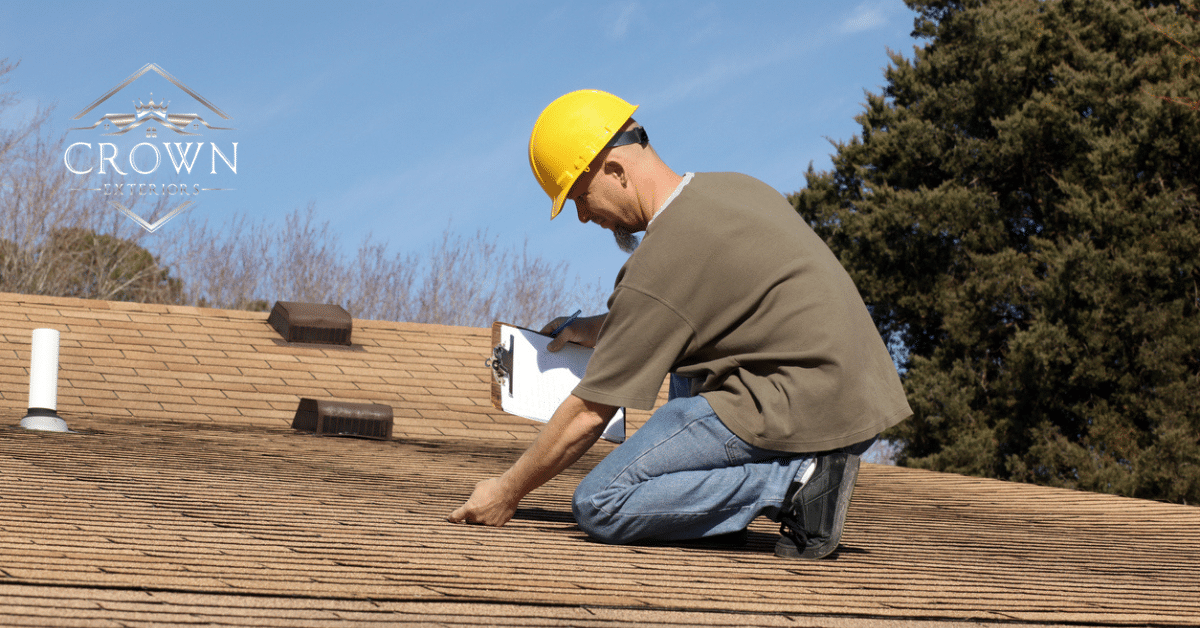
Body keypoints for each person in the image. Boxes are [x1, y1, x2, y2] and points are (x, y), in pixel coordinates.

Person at [448, 89, 911, 559]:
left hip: (800, 404)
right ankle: (716, 515)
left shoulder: (662, 259)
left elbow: (589, 412)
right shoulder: (731, 190)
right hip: (852, 395)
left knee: (599, 503)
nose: (584, 217)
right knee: (684, 360)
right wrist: (588, 327)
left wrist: (508, 489)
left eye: (579, 197)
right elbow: (676, 312)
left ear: (615, 170)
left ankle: (796, 484)